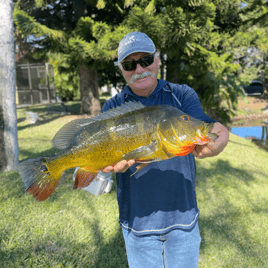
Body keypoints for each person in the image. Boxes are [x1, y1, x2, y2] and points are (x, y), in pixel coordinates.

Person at [101, 31, 229, 268]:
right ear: (121, 69)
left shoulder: (181, 95)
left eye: (146, 60)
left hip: (184, 219)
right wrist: (101, 170)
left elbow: (203, 125)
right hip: (137, 224)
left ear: (158, 60)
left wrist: (218, 135)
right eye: (130, 64)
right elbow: (103, 161)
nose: (139, 69)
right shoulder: (113, 106)